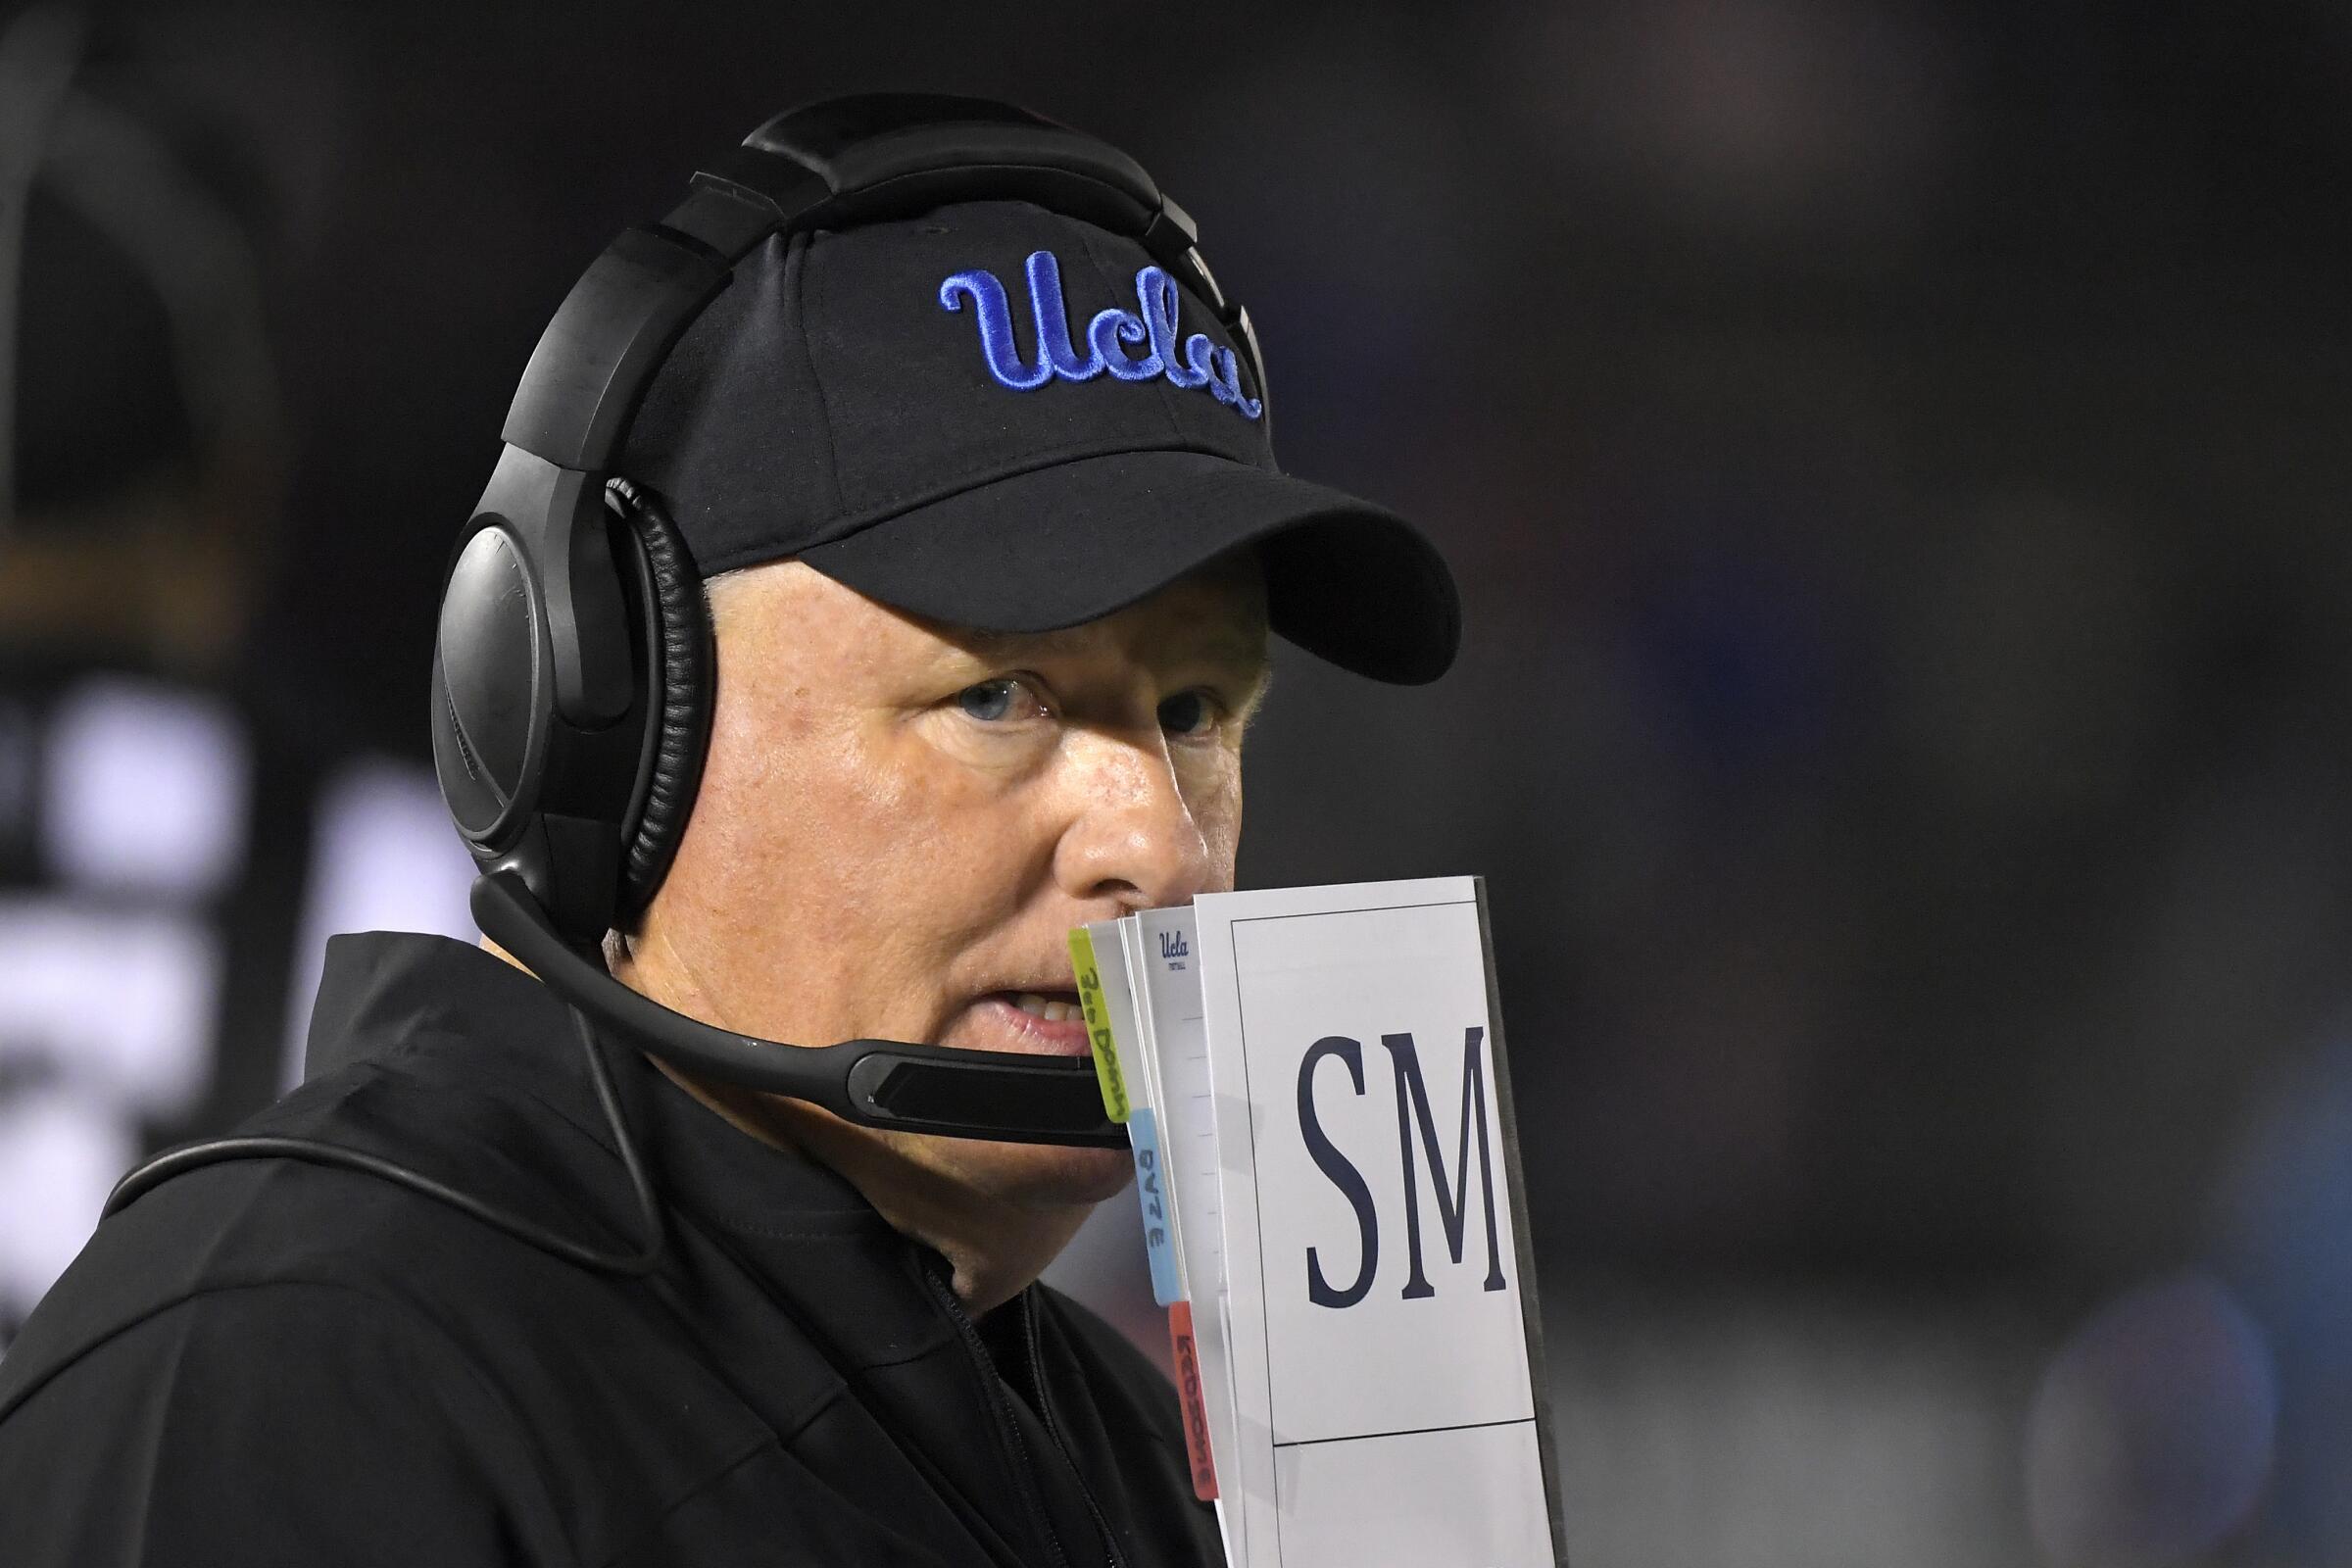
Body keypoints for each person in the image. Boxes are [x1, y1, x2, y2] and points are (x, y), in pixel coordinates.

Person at [0, 96, 1458, 1565]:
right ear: (614, 719)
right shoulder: (311, 1386)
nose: (1157, 842)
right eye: (1000, 694)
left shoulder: (1136, 1467)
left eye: (1197, 709)